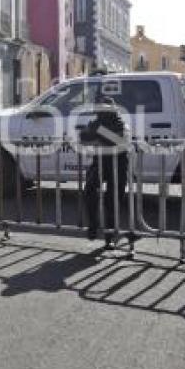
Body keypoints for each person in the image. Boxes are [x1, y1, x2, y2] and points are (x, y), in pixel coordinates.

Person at [81, 96, 135, 253]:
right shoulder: (97, 122)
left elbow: (119, 140)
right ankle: (93, 225)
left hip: (118, 165)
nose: (100, 113)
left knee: (112, 201)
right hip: (100, 164)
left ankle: (109, 238)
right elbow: (83, 137)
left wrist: (99, 132)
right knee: (89, 190)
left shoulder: (121, 124)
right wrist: (99, 134)